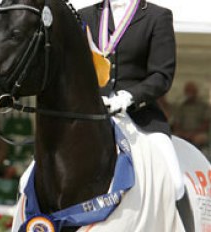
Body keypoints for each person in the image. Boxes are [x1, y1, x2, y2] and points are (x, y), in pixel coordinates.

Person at [78, 0, 184, 201]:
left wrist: (129, 97)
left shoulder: (157, 16)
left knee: (175, 182)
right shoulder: (85, 16)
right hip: (89, 114)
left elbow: (161, 75)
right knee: (32, 174)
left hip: (139, 115)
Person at [173, 81, 211, 152]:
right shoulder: (181, 107)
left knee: (200, 138)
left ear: (196, 92)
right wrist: (183, 133)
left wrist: (192, 133)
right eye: (187, 91)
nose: (189, 93)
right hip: (183, 133)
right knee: (175, 138)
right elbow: (176, 124)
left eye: (191, 91)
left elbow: (206, 123)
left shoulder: (203, 106)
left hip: (198, 133)